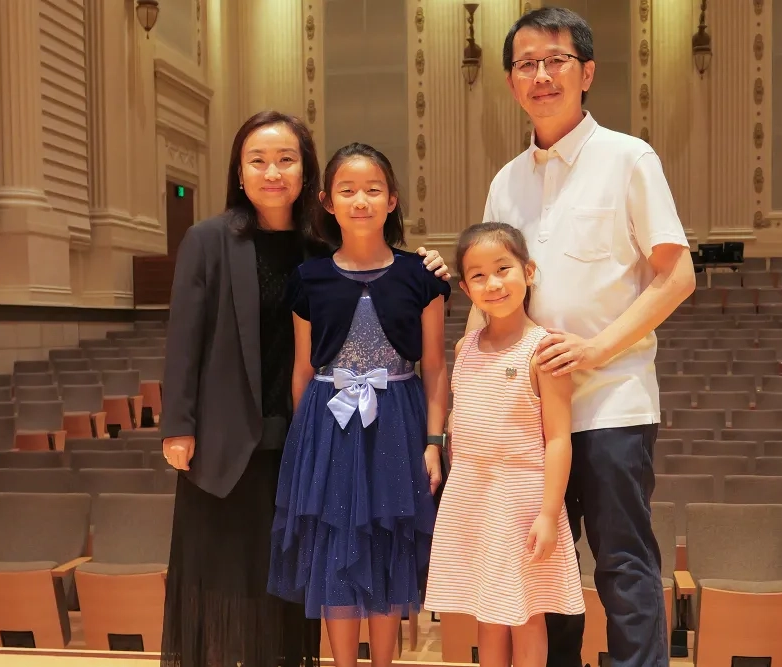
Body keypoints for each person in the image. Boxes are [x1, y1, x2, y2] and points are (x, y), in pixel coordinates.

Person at [160, 112, 450, 667]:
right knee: (224, 574)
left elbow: (380, 275)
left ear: (306, 175)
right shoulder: (208, 240)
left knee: (296, 571)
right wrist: (178, 424)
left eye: (286, 159)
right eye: (258, 160)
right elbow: (183, 338)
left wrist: (430, 259)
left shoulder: (319, 247)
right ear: (238, 173)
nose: (273, 172)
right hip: (228, 434)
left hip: (303, 433)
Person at [471, 8, 697, 667]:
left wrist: (597, 349)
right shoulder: (504, 181)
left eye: (556, 60)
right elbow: (492, 292)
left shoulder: (628, 158)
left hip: (611, 405)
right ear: (512, 82)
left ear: (587, 72)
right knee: (545, 571)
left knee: (623, 563)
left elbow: (676, 274)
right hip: (531, 416)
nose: (541, 75)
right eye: (525, 64)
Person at [267, 142, 448, 667]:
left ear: (392, 200)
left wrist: (434, 441)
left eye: (373, 190)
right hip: (328, 423)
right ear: (327, 201)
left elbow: (435, 366)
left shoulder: (422, 275)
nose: (361, 201)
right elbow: (304, 369)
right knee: (336, 545)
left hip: (399, 420)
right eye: (347, 191)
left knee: (388, 542)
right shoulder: (310, 278)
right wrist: (307, 447)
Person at [425, 223, 584, 667]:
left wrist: (550, 513)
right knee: (487, 612)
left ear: (528, 271)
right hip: (474, 496)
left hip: (522, 501)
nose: (492, 283)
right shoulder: (467, 346)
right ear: (465, 287)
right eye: (478, 276)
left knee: (526, 614)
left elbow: (557, 439)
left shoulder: (544, 350)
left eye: (502, 269)